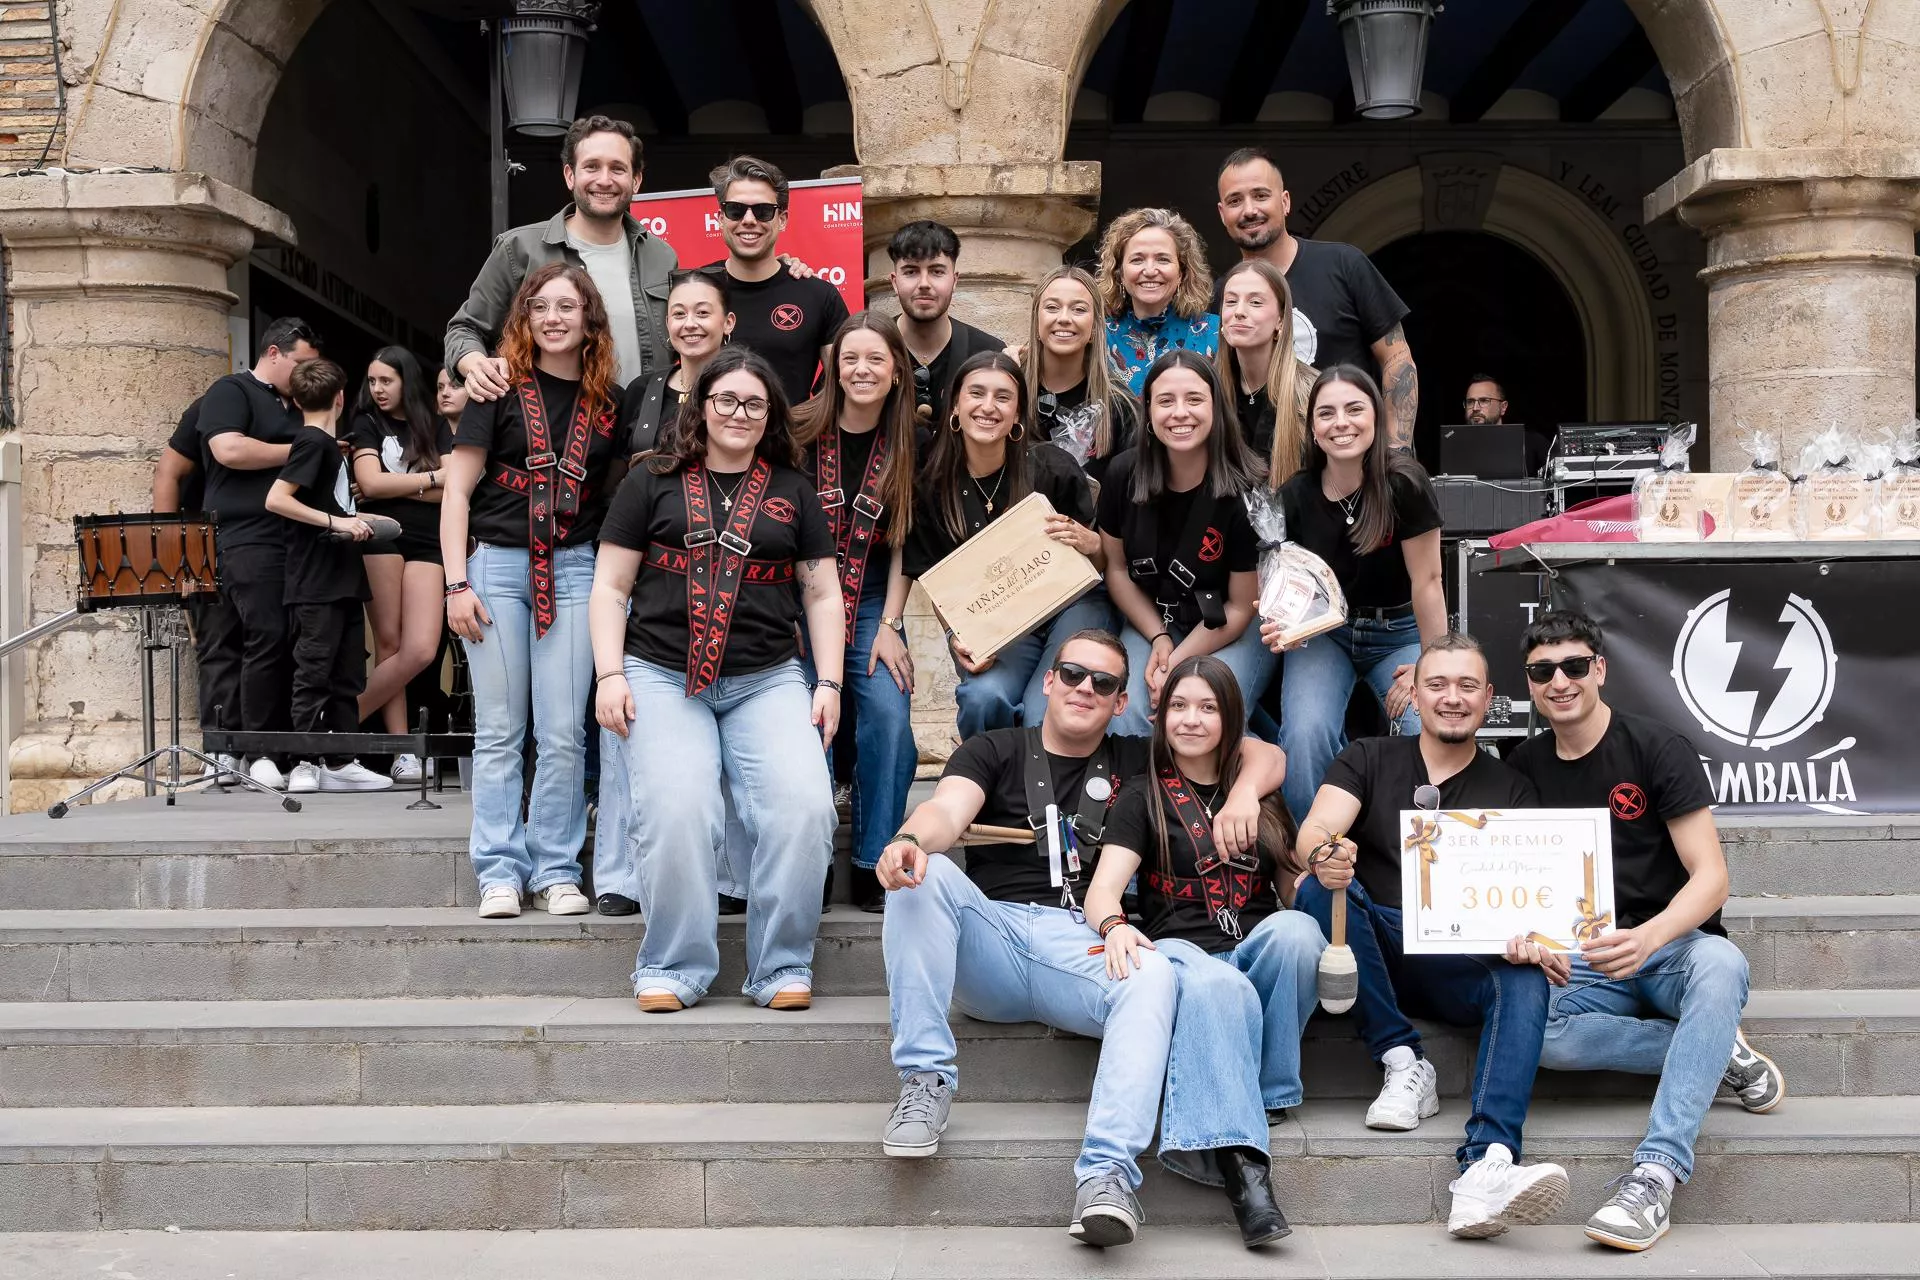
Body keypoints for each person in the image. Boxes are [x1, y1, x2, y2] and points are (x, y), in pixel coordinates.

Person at [873, 629, 1287, 1247]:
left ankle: (1107, 1177)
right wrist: (910, 837)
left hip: (1088, 941)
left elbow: (1263, 755)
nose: (1084, 689)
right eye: (1071, 674)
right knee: (919, 878)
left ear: (1122, 701)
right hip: (998, 933)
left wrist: (1248, 791)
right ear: (1047, 681)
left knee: (1154, 972)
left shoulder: (1137, 757)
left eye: (1104, 682)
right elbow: (947, 811)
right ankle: (925, 1080)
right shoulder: (996, 748)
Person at [1505, 611, 1784, 1253]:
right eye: (1543, 671)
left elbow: (1712, 878)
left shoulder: (1656, 747)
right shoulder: (1522, 762)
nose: (1560, 681)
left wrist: (1651, 937)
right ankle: (1715, 1052)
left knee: (1722, 967)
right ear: (1529, 682)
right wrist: (1527, 937)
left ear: (1599, 669)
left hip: (1672, 948)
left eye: (1575, 666)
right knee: (1530, 1026)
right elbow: (1521, 878)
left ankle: (1654, 1176)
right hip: (1585, 954)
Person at [1293, 633, 1569, 1240]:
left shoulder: (1512, 788)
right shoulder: (1368, 756)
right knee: (1319, 889)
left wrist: (1531, 939)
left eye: (1467, 686)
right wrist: (1325, 852)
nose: (1451, 698)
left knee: (1524, 973)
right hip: (1380, 947)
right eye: (1437, 684)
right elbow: (1314, 830)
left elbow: (1525, 898)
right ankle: (1403, 1061)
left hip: (1457, 959)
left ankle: (1489, 1164)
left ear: (1489, 698)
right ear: (1412, 692)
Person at [591, 345, 842, 1011]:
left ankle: (781, 965)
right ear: (700, 408)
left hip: (766, 678)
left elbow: (822, 595)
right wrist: (610, 673)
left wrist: (829, 683)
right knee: (677, 807)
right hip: (660, 671)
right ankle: (673, 966)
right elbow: (611, 586)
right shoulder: (649, 481)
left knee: (805, 806)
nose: (739, 412)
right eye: (725, 399)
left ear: (771, 416)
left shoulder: (794, 491)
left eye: (754, 403)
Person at [1082, 655, 1322, 1248]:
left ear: (1230, 718)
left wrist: (1327, 875)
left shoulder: (1260, 795)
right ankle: (1246, 1175)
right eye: (1178, 707)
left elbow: (1294, 889)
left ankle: (1259, 1090)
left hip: (1254, 944)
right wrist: (1113, 925)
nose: (1191, 720)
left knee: (1298, 932)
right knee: (1218, 984)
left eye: (1207, 708)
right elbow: (1103, 890)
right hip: (1185, 953)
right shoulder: (1141, 798)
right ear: (1161, 718)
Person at [441, 262, 625, 920]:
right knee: (498, 730)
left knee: (563, 733)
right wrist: (455, 583)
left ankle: (555, 868)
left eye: (567, 307)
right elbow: (457, 490)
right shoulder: (496, 388)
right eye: (541, 306)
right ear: (524, 318)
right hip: (496, 568)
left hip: (575, 568)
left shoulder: (610, 403)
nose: (553, 317)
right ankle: (498, 869)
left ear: (588, 320)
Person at [1269, 366, 1445, 824]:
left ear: (1377, 417)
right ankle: (1313, 850)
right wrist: (1278, 620)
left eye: (1354, 409)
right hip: (1326, 635)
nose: (1341, 422)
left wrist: (1431, 663)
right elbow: (1285, 580)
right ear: (1312, 428)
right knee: (1306, 733)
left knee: (1422, 722)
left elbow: (1427, 582)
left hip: (1400, 632)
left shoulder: (1404, 483)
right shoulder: (1296, 495)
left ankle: (1418, 853)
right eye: (1326, 413)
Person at [905, 351, 1111, 737]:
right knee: (985, 697)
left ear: (1018, 413)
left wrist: (1092, 543)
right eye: (976, 394)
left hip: (1073, 608)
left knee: (1046, 706)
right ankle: (989, 785)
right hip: (1002, 620)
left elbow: (1100, 563)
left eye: (1003, 397)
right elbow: (941, 585)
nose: (988, 407)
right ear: (955, 406)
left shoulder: (1052, 466)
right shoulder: (930, 489)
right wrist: (957, 636)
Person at [792, 314, 919, 912]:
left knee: (888, 713)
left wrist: (892, 625)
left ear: (897, 372)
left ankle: (873, 859)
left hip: (870, 597)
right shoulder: (795, 430)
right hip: (794, 601)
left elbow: (904, 546)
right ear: (833, 368)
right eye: (851, 359)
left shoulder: (910, 442)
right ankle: (808, 859)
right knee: (804, 721)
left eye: (876, 360)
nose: (862, 370)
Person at [1099, 350, 1273, 736]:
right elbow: (1115, 568)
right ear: (1148, 411)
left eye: (1194, 399)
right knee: (1126, 715)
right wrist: (1159, 637)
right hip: (1153, 621)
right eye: (1165, 401)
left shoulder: (1247, 488)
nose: (1180, 413)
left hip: (1229, 626)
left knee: (1200, 710)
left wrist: (1175, 663)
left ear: (1216, 406)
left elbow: (1241, 606)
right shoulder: (1123, 473)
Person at [447, 115, 675, 398]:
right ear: (570, 175)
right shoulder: (518, 248)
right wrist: (476, 366)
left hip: (642, 431)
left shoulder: (663, 257)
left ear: (636, 180)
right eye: (591, 167)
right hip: (550, 431)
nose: (604, 180)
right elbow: (465, 329)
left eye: (617, 168)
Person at [1215, 147, 1418, 451]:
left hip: (1351, 460)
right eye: (1235, 200)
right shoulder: (1222, 295)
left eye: (1260, 195)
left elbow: (1397, 359)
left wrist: (1395, 452)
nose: (1249, 210)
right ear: (1222, 214)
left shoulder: (1344, 264)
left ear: (1285, 202)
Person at [198, 316, 324, 792]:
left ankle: (260, 749)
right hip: (245, 535)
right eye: (301, 363)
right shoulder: (232, 390)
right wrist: (304, 448)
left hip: (291, 538)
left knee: (281, 642)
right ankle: (252, 750)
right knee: (260, 638)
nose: (305, 373)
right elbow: (229, 449)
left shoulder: (296, 405)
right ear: (274, 353)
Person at [263, 358, 393, 794]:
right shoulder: (313, 443)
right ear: (340, 397)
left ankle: (340, 761)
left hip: (339, 577)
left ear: (295, 399)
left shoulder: (326, 445)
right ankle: (303, 760)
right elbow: (277, 499)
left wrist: (351, 515)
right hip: (315, 580)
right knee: (314, 670)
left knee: (346, 673)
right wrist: (336, 523)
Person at [347, 347, 451, 784]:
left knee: (422, 649)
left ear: (407, 380)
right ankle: (401, 749)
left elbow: (453, 488)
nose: (377, 390)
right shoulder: (366, 423)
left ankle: (336, 724)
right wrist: (428, 480)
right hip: (381, 535)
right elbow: (368, 483)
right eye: (372, 382)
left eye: (386, 381)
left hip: (429, 540)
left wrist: (394, 488)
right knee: (389, 644)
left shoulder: (436, 423)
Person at [699, 155, 849, 403]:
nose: (749, 220)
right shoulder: (698, 290)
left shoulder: (818, 295)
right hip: (710, 441)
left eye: (763, 211)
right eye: (736, 210)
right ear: (720, 218)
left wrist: (807, 422)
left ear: (782, 220)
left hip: (792, 441)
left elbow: (845, 381)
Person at [152, 397, 242, 785]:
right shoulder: (213, 405)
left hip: (271, 542)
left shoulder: (298, 406)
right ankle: (220, 748)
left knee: (272, 647)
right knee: (218, 644)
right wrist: (173, 557)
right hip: (206, 541)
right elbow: (168, 473)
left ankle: (265, 751)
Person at [1022, 265, 1138, 489]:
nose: (1064, 318)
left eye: (1078, 309)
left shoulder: (1121, 408)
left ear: (1095, 327)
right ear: (1037, 322)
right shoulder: (1009, 391)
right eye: (1053, 307)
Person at [887, 219, 1003, 426]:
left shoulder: (988, 353)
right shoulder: (868, 349)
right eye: (911, 272)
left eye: (937, 271)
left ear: (955, 280)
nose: (924, 284)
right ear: (895, 282)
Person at [1098, 207, 1218, 396]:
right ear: (1119, 273)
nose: (1150, 270)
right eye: (1137, 260)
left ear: (1182, 272)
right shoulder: (1097, 336)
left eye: (1163, 259)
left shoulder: (1216, 333)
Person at [1215, 259, 1314, 482]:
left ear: (1280, 320)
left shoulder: (1312, 393)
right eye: (1230, 302)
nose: (1239, 312)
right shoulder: (1207, 391)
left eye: (1256, 303)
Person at [619, 270, 735, 460]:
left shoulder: (748, 391)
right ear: (667, 323)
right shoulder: (641, 390)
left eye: (702, 313)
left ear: (728, 323)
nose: (689, 323)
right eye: (679, 314)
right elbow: (615, 479)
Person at [436, 366, 469, 435]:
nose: (444, 393)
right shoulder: (427, 434)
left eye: (454, 386)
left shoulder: (488, 432)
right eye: (440, 387)